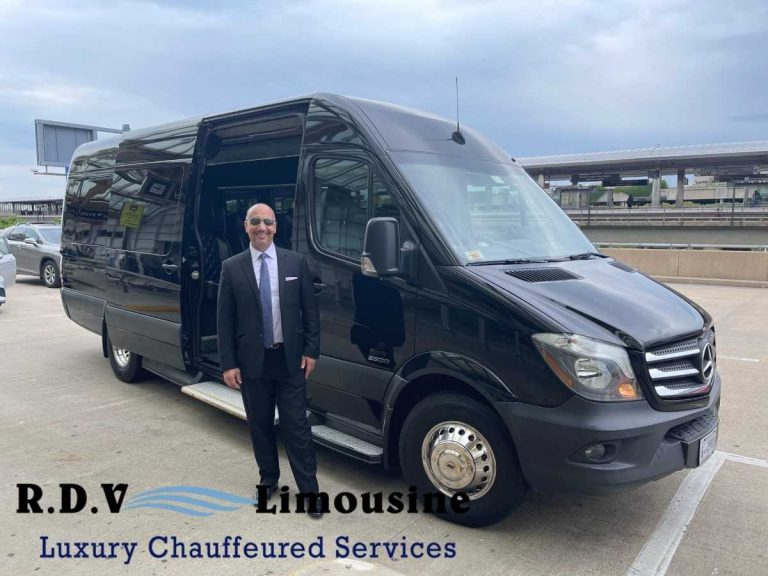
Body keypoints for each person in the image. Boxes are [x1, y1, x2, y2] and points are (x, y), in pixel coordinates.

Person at [217, 203, 322, 518]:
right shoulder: (232, 268)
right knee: (260, 426)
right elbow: (225, 321)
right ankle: (269, 479)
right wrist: (228, 364)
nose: (262, 227)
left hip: (289, 360)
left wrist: (312, 350)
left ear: (276, 227)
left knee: (297, 427)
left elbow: (310, 312)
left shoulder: (295, 263)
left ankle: (310, 492)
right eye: (255, 222)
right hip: (252, 363)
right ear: (245, 226)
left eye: (268, 222)